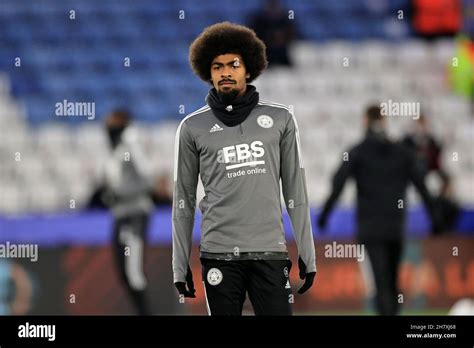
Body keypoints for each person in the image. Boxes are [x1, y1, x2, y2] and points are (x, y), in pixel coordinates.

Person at [172, 22, 316, 315]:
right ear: (208, 74)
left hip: (271, 253)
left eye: (233, 65)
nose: (225, 72)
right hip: (218, 256)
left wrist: (307, 252)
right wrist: (179, 264)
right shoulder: (191, 128)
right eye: (217, 67)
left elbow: (295, 191)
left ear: (247, 69)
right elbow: (183, 201)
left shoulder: (281, 119)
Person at [317, 105, 439, 315]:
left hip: (370, 228)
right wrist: (436, 219)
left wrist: (324, 217)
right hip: (395, 226)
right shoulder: (401, 152)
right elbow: (423, 186)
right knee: (391, 280)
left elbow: (338, 184)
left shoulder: (358, 151)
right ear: (384, 121)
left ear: (365, 121)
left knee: (380, 281)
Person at [102, 109, 154, 315]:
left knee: (133, 272)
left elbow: (147, 175)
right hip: (120, 215)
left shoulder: (131, 144)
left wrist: (121, 194)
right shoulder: (116, 149)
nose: (108, 126)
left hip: (134, 215)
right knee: (123, 273)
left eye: (113, 122)